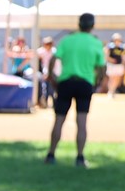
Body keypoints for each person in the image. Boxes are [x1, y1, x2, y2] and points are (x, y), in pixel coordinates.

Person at [45, 13, 105, 168]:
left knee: (59, 119)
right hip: (85, 83)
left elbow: (53, 59)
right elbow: (102, 66)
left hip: (66, 82)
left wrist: (52, 76)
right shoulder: (95, 42)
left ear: (79, 24)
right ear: (92, 26)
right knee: (82, 122)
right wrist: (97, 81)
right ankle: (80, 157)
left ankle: (51, 154)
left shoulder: (68, 40)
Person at [35, 36, 56, 108]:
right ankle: (44, 102)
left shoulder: (54, 51)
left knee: (51, 89)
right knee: (44, 88)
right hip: (44, 72)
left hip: (52, 72)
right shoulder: (41, 51)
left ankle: (53, 103)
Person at [104, 33, 125, 98]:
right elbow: (106, 56)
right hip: (111, 65)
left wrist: (124, 65)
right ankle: (110, 91)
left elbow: (123, 57)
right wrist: (111, 60)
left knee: (117, 78)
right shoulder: (110, 47)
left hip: (118, 65)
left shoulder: (121, 47)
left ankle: (113, 90)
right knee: (111, 78)